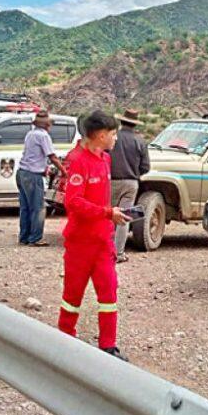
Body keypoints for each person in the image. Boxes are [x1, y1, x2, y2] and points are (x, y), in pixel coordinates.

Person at [57, 110, 130, 361]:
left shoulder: (105, 160)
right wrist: (108, 213)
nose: (115, 139)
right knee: (72, 294)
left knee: (109, 292)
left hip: (102, 241)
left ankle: (108, 345)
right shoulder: (78, 160)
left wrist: (110, 216)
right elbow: (73, 201)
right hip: (80, 242)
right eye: (113, 134)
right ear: (100, 136)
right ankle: (65, 338)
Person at [17, 110, 66, 246]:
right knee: (38, 208)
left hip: (22, 172)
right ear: (47, 125)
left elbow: (34, 155)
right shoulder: (43, 136)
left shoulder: (30, 134)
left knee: (26, 207)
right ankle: (35, 238)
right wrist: (64, 171)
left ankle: (24, 236)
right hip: (33, 175)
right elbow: (52, 157)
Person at [109, 108, 149, 263]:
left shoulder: (113, 138)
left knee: (109, 215)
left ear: (121, 121)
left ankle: (104, 250)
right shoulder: (140, 141)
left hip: (111, 181)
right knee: (124, 217)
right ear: (135, 125)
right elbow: (146, 167)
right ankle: (119, 253)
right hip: (131, 183)